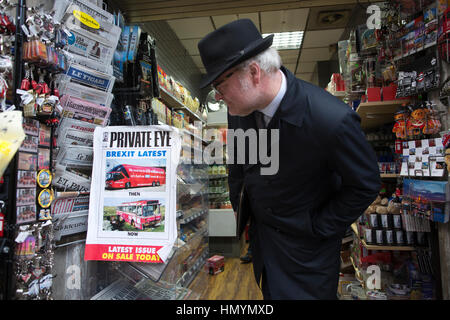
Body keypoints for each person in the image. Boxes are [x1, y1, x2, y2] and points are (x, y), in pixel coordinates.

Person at [197, 19, 381, 300]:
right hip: (265, 249)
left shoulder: (331, 119)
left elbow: (365, 184)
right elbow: (239, 168)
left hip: (307, 260)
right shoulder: (240, 111)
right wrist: (243, 215)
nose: (219, 97)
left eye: (220, 87)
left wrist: (318, 226)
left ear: (254, 73)